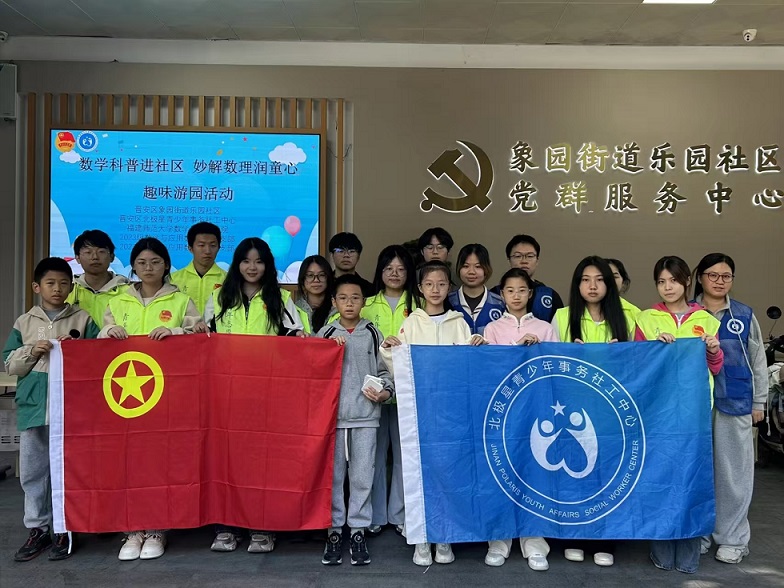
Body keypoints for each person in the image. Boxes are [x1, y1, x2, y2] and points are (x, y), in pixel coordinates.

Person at [99, 237, 205, 561]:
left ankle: (158, 528)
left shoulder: (181, 300)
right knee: (129, 462)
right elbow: (98, 340)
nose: (148, 268)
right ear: (133, 266)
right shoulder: (117, 301)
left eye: (156, 262)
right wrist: (107, 333)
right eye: (142, 262)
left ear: (166, 265)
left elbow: (200, 335)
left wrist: (176, 332)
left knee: (160, 461)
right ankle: (132, 529)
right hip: (125, 398)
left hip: (167, 395)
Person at [203, 237, 304, 554]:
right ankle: (226, 526)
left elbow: (296, 339)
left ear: (267, 265)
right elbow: (204, 341)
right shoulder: (219, 298)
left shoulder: (281, 299)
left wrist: (306, 341)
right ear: (237, 264)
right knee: (227, 461)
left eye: (258, 261)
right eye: (246, 261)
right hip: (226, 395)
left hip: (266, 395)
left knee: (263, 462)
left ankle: (262, 527)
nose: (252, 267)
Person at [381, 261, 484, 567]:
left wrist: (478, 347)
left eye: (441, 284)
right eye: (429, 284)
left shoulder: (459, 323)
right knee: (419, 473)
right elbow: (398, 361)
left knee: (449, 471)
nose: (435, 289)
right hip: (420, 412)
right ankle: (421, 537)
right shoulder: (412, 323)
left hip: (451, 413)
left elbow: (468, 365)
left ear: (449, 287)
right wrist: (389, 348)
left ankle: (444, 535)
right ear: (420, 288)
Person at [3, 257, 99, 562]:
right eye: (50, 283)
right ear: (37, 287)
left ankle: (64, 527)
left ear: (72, 287)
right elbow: (10, 364)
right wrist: (33, 350)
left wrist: (76, 350)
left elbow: (99, 360)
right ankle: (37, 528)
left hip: (71, 409)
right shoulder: (24, 322)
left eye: (63, 283)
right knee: (33, 472)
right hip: (34, 407)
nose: (57, 289)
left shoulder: (82, 319)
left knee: (67, 470)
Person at [635, 255, 724, 575]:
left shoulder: (707, 319)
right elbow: (637, 363)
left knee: (692, 477)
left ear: (687, 281)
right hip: (657, 410)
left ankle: (688, 554)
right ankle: (661, 550)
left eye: (673, 280)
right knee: (659, 475)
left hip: (693, 410)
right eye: (661, 282)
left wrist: (713, 349)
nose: (667, 287)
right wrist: (655, 348)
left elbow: (716, 367)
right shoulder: (647, 319)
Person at [551, 256, 633, 567]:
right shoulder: (561, 317)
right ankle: (574, 537)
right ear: (577, 285)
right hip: (572, 410)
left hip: (611, 413)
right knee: (573, 472)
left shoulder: (629, 316)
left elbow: (641, 363)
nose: (593, 286)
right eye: (585, 279)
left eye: (599, 279)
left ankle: (604, 540)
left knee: (608, 475)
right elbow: (548, 363)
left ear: (610, 284)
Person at [693, 253, 767, 565]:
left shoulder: (744, 315)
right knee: (699, 470)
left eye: (726, 276)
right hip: (695, 404)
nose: (719, 281)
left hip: (735, 401)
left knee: (734, 473)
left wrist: (759, 401)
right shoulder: (688, 312)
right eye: (712, 275)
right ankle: (700, 532)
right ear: (700, 278)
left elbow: (758, 359)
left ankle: (733, 538)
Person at [318, 274, 394, 566]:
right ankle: (334, 531)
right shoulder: (325, 333)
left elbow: (386, 371)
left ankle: (359, 530)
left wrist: (385, 392)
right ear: (334, 301)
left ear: (364, 302)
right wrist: (328, 349)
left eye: (355, 298)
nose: (349, 303)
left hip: (366, 418)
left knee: (362, 476)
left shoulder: (373, 333)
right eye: (343, 298)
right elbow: (312, 374)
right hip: (333, 420)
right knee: (334, 477)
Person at [482, 267, 554, 570]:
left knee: (534, 474)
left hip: (536, 412)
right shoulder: (491, 329)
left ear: (530, 293)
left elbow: (555, 368)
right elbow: (488, 370)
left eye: (522, 290)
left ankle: (534, 542)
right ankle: (499, 541)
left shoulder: (545, 328)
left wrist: (538, 349)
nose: (516, 296)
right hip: (503, 414)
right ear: (502, 294)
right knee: (501, 474)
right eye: (510, 290)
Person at [361, 245, 420, 537]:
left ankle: (399, 514)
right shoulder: (365, 304)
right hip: (373, 391)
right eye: (388, 269)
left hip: (410, 391)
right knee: (372, 455)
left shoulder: (421, 305)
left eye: (400, 269)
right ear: (380, 271)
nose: (394, 274)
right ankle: (374, 515)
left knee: (404, 455)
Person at [493, 234, 563, 322]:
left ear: (537, 260)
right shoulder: (494, 295)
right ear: (509, 260)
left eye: (530, 256)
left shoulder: (550, 296)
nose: (524, 261)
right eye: (518, 256)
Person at [66, 229, 129, 327]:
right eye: (88, 252)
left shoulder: (128, 292)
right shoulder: (69, 290)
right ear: (77, 258)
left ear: (112, 257)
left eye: (101, 252)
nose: (95, 257)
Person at [447, 244, 505, 336]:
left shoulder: (500, 303)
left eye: (478, 266)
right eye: (466, 266)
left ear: (486, 269)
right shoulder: (448, 302)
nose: (471, 272)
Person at [170, 222, 226, 315]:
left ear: (219, 248)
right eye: (201, 245)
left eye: (213, 245)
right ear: (190, 248)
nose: (207, 251)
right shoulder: (173, 280)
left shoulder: (228, 280)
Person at [295, 255, 336, 334]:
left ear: (328, 278)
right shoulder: (295, 310)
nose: (316, 280)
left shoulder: (338, 309)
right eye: (310, 275)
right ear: (303, 279)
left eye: (322, 275)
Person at [328, 232, 374, 297]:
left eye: (352, 251)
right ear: (331, 255)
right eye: (340, 251)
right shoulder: (323, 286)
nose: (346, 255)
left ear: (358, 256)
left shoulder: (369, 289)